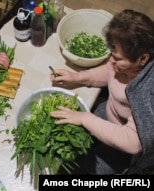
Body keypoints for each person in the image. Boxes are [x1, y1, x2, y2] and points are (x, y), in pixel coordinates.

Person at [50, 9, 154, 174]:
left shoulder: (147, 91)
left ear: (143, 59)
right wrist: (76, 77)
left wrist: (86, 119)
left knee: (96, 166)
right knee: (85, 127)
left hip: (126, 143)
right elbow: (108, 72)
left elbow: (133, 142)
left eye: (118, 58)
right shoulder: (119, 64)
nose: (111, 60)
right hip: (110, 112)